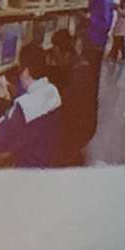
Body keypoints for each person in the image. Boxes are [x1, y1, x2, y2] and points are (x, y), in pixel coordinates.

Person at [0, 43, 64, 168]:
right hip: (49, 165)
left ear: (26, 71)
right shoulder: (53, 91)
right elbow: (36, 104)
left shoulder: (23, 107)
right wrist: (15, 95)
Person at [48, 29, 95, 166]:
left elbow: (64, 107)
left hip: (78, 131)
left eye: (55, 55)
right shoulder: (81, 64)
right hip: (86, 127)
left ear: (60, 51)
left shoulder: (77, 75)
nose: (55, 60)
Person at [79, 0, 113, 142]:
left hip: (96, 46)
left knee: (92, 79)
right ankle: (85, 108)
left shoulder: (103, 0)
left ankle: (89, 115)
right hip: (90, 43)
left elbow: (106, 24)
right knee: (88, 77)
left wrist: (90, 19)